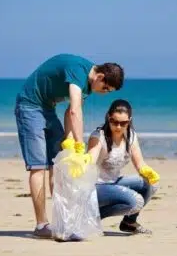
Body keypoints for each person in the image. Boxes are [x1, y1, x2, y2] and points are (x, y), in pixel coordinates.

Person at [14, 53, 124, 238]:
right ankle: (41, 224)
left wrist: (70, 142)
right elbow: (74, 110)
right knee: (38, 167)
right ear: (100, 77)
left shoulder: (88, 85)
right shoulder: (78, 72)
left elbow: (68, 114)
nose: (104, 93)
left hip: (47, 109)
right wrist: (80, 144)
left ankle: (61, 221)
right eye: (105, 88)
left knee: (57, 164)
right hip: (29, 107)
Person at [86, 99, 160, 235]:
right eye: (114, 122)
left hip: (113, 182)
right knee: (135, 202)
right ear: (109, 118)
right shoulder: (98, 137)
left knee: (151, 184)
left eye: (123, 123)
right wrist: (82, 160)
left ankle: (129, 223)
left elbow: (140, 164)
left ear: (129, 121)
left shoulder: (130, 136)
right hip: (95, 186)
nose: (118, 127)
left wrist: (147, 171)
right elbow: (91, 157)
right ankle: (91, 216)